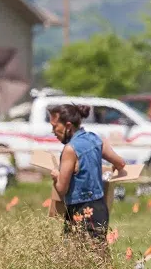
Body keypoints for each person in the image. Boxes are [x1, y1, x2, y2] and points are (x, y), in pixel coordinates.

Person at [49, 103, 126, 241]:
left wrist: (56, 176)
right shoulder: (95, 139)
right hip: (100, 210)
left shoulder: (70, 150)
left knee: (74, 259)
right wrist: (113, 169)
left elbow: (61, 189)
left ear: (67, 126)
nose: (53, 131)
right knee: (98, 257)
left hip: (80, 212)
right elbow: (120, 163)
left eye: (55, 126)